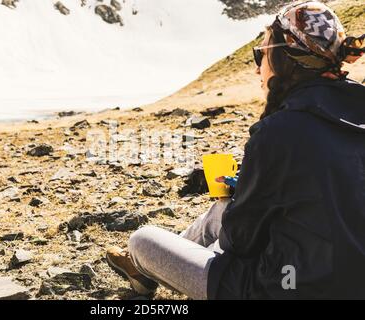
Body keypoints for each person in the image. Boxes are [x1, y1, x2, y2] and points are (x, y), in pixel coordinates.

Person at [106, 1, 365, 300]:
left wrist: (244, 198)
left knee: (143, 240)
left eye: (262, 54)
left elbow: (239, 242)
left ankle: (146, 267)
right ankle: (159, 263)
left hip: (286, 287)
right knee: (225, 208)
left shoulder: (279, 132)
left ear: (285, 58)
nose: (258, 67)